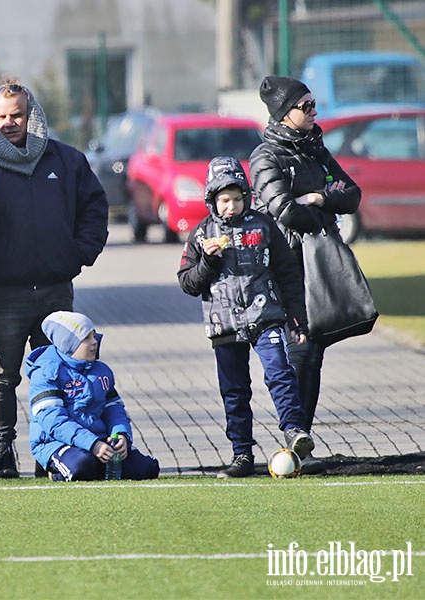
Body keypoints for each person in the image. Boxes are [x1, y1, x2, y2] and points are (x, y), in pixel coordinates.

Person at [0, 80, 109, 479]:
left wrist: (78, 254)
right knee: (3, 377)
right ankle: (2, 455)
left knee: (61, 376)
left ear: (33, 115)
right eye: (2, 117)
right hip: (7, 293)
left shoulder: (67, 161)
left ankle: (51, 452)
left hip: (55, 291)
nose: (10, 123)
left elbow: (95, 209)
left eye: (17, 115)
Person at [249, 76, 361, 475]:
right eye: (306, 106)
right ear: (284, 113)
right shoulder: (265, 157)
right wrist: (316, 209)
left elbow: (352, 195)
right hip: (284, 267)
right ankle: (291, 442)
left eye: (314, 104)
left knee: (312, 352)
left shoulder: (317, 151)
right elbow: (283, 210)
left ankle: (299, 443)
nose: (314, 112)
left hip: (318, 262)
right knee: (299, 350)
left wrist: (317, 197)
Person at [177, 156, 316, 478]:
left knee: (279, 372)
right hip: (223, 324)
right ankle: (242, 454)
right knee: (235, 390)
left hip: (265, 315)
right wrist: (209, 263)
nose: (232, 206)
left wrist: (297, 319)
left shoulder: (264, 226)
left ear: (246, 197)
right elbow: (187, 283)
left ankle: (294, 430)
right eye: (225, 200)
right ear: (213, 200)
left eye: (238, 199)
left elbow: (288, 274)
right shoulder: (201, 235)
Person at [26, 311, 159, 481]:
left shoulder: (101, 371)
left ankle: (101, 465)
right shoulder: (46, 372)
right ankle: (56, 473)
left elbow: (114, 409)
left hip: (99, 442)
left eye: (94, 336)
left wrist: (121, 435)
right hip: (57, 443)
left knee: (147, 469)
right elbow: (54, 422)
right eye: (86, 338)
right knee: (83, 468)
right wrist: (92, 444)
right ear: (68, 344)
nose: (94, 342)